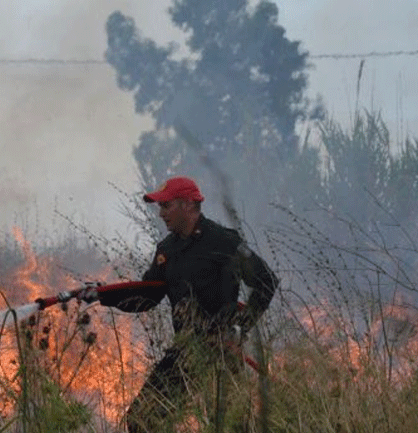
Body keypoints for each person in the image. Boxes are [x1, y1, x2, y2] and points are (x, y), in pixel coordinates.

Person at [80, 176, 278, 432]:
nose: (161, 213)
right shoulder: (167, 249)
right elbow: (146, 296)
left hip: (221, 352)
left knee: (231, 427)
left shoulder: (224, 241)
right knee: (142, 420)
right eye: (160, 207)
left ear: (187, 205)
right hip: (184, 351)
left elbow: (266, 281)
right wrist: (101, 295)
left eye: (166, 206)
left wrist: (241, 327)